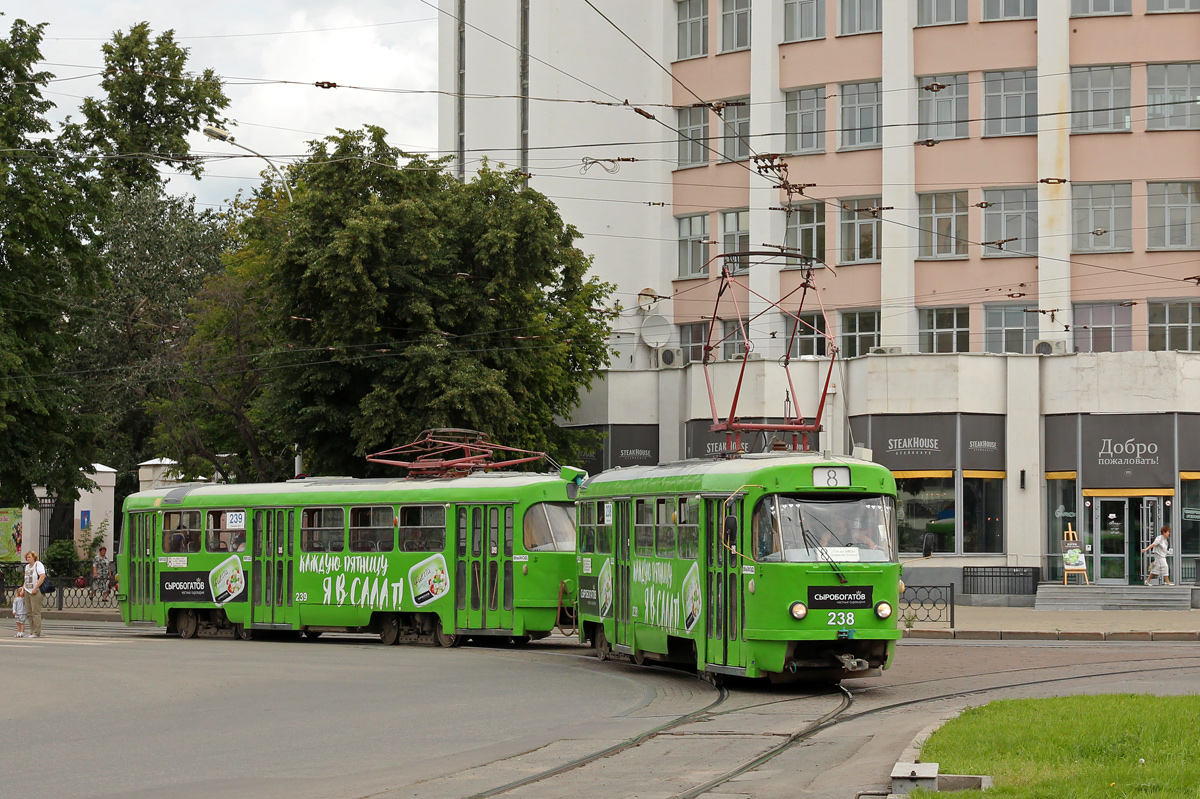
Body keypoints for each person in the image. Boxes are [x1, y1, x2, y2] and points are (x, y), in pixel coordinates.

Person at [23, 550, 45, 638]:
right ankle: (32, 631)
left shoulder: (38, 564)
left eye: (29, 557)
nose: (28, 559)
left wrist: (36, 588)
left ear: (34, 558)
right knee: (29, 612)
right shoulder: (27, 567)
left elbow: (42, 576)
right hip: (27, 590)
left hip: (36, 591)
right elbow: (26, 578)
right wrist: (23, 588)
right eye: (27, 557)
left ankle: (37, 632)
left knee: (35, 612)